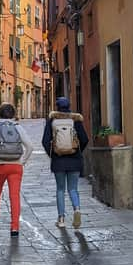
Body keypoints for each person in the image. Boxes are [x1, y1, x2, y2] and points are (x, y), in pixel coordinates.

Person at [0, 103, 33, 237]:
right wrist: (23, 161)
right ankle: (15, 227)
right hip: (16, 166)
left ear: (0, 113)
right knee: (14, 196)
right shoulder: (18, 127)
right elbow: (30, 146)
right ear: (13, 114)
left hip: (0, 165)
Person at [42, 97, 89, 229]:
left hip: (58, 161)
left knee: (60, 190)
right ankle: (77, 209)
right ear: (69, 106)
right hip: (74, 160)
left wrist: (53, 154)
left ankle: (61, 219)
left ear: (57, 107)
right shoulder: (76, 120)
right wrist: (77, 151)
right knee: (73, 188)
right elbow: (84, 139)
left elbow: (45, 141)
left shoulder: (52, 120)